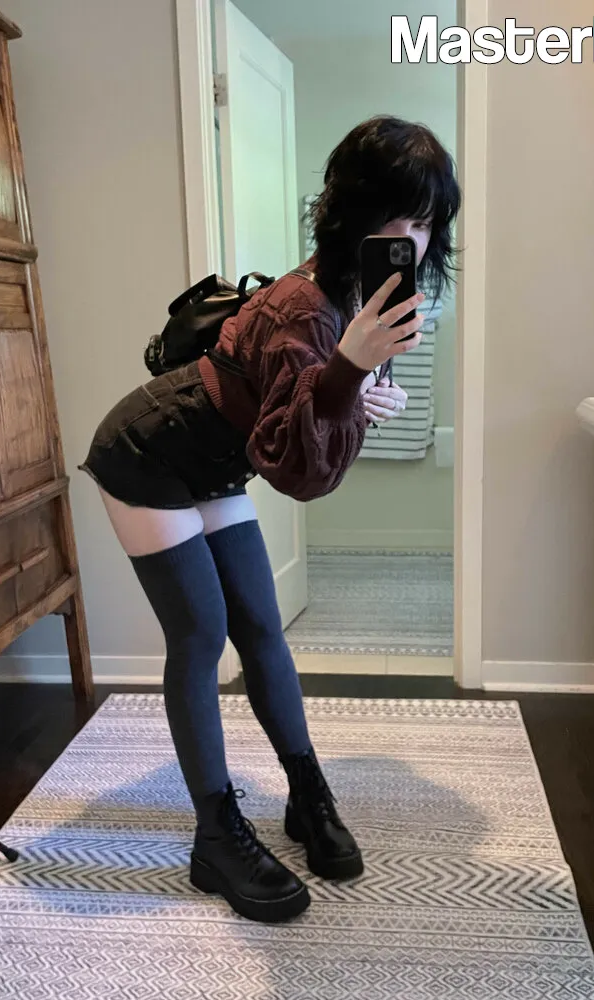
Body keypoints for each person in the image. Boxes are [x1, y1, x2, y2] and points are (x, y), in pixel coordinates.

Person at [80, 115, 461, 924]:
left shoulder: (356, 297)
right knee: (200, 633)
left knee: (260, 622)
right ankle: (215, 837)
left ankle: (304, 790)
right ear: (350, 212)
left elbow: (310, 428)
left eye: (425, 222)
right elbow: (298, 471)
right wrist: (348, 374)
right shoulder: (307, 309)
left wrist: (357, 387)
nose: (410, 240)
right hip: (148, 451)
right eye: (394, 217)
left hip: (217, 457)